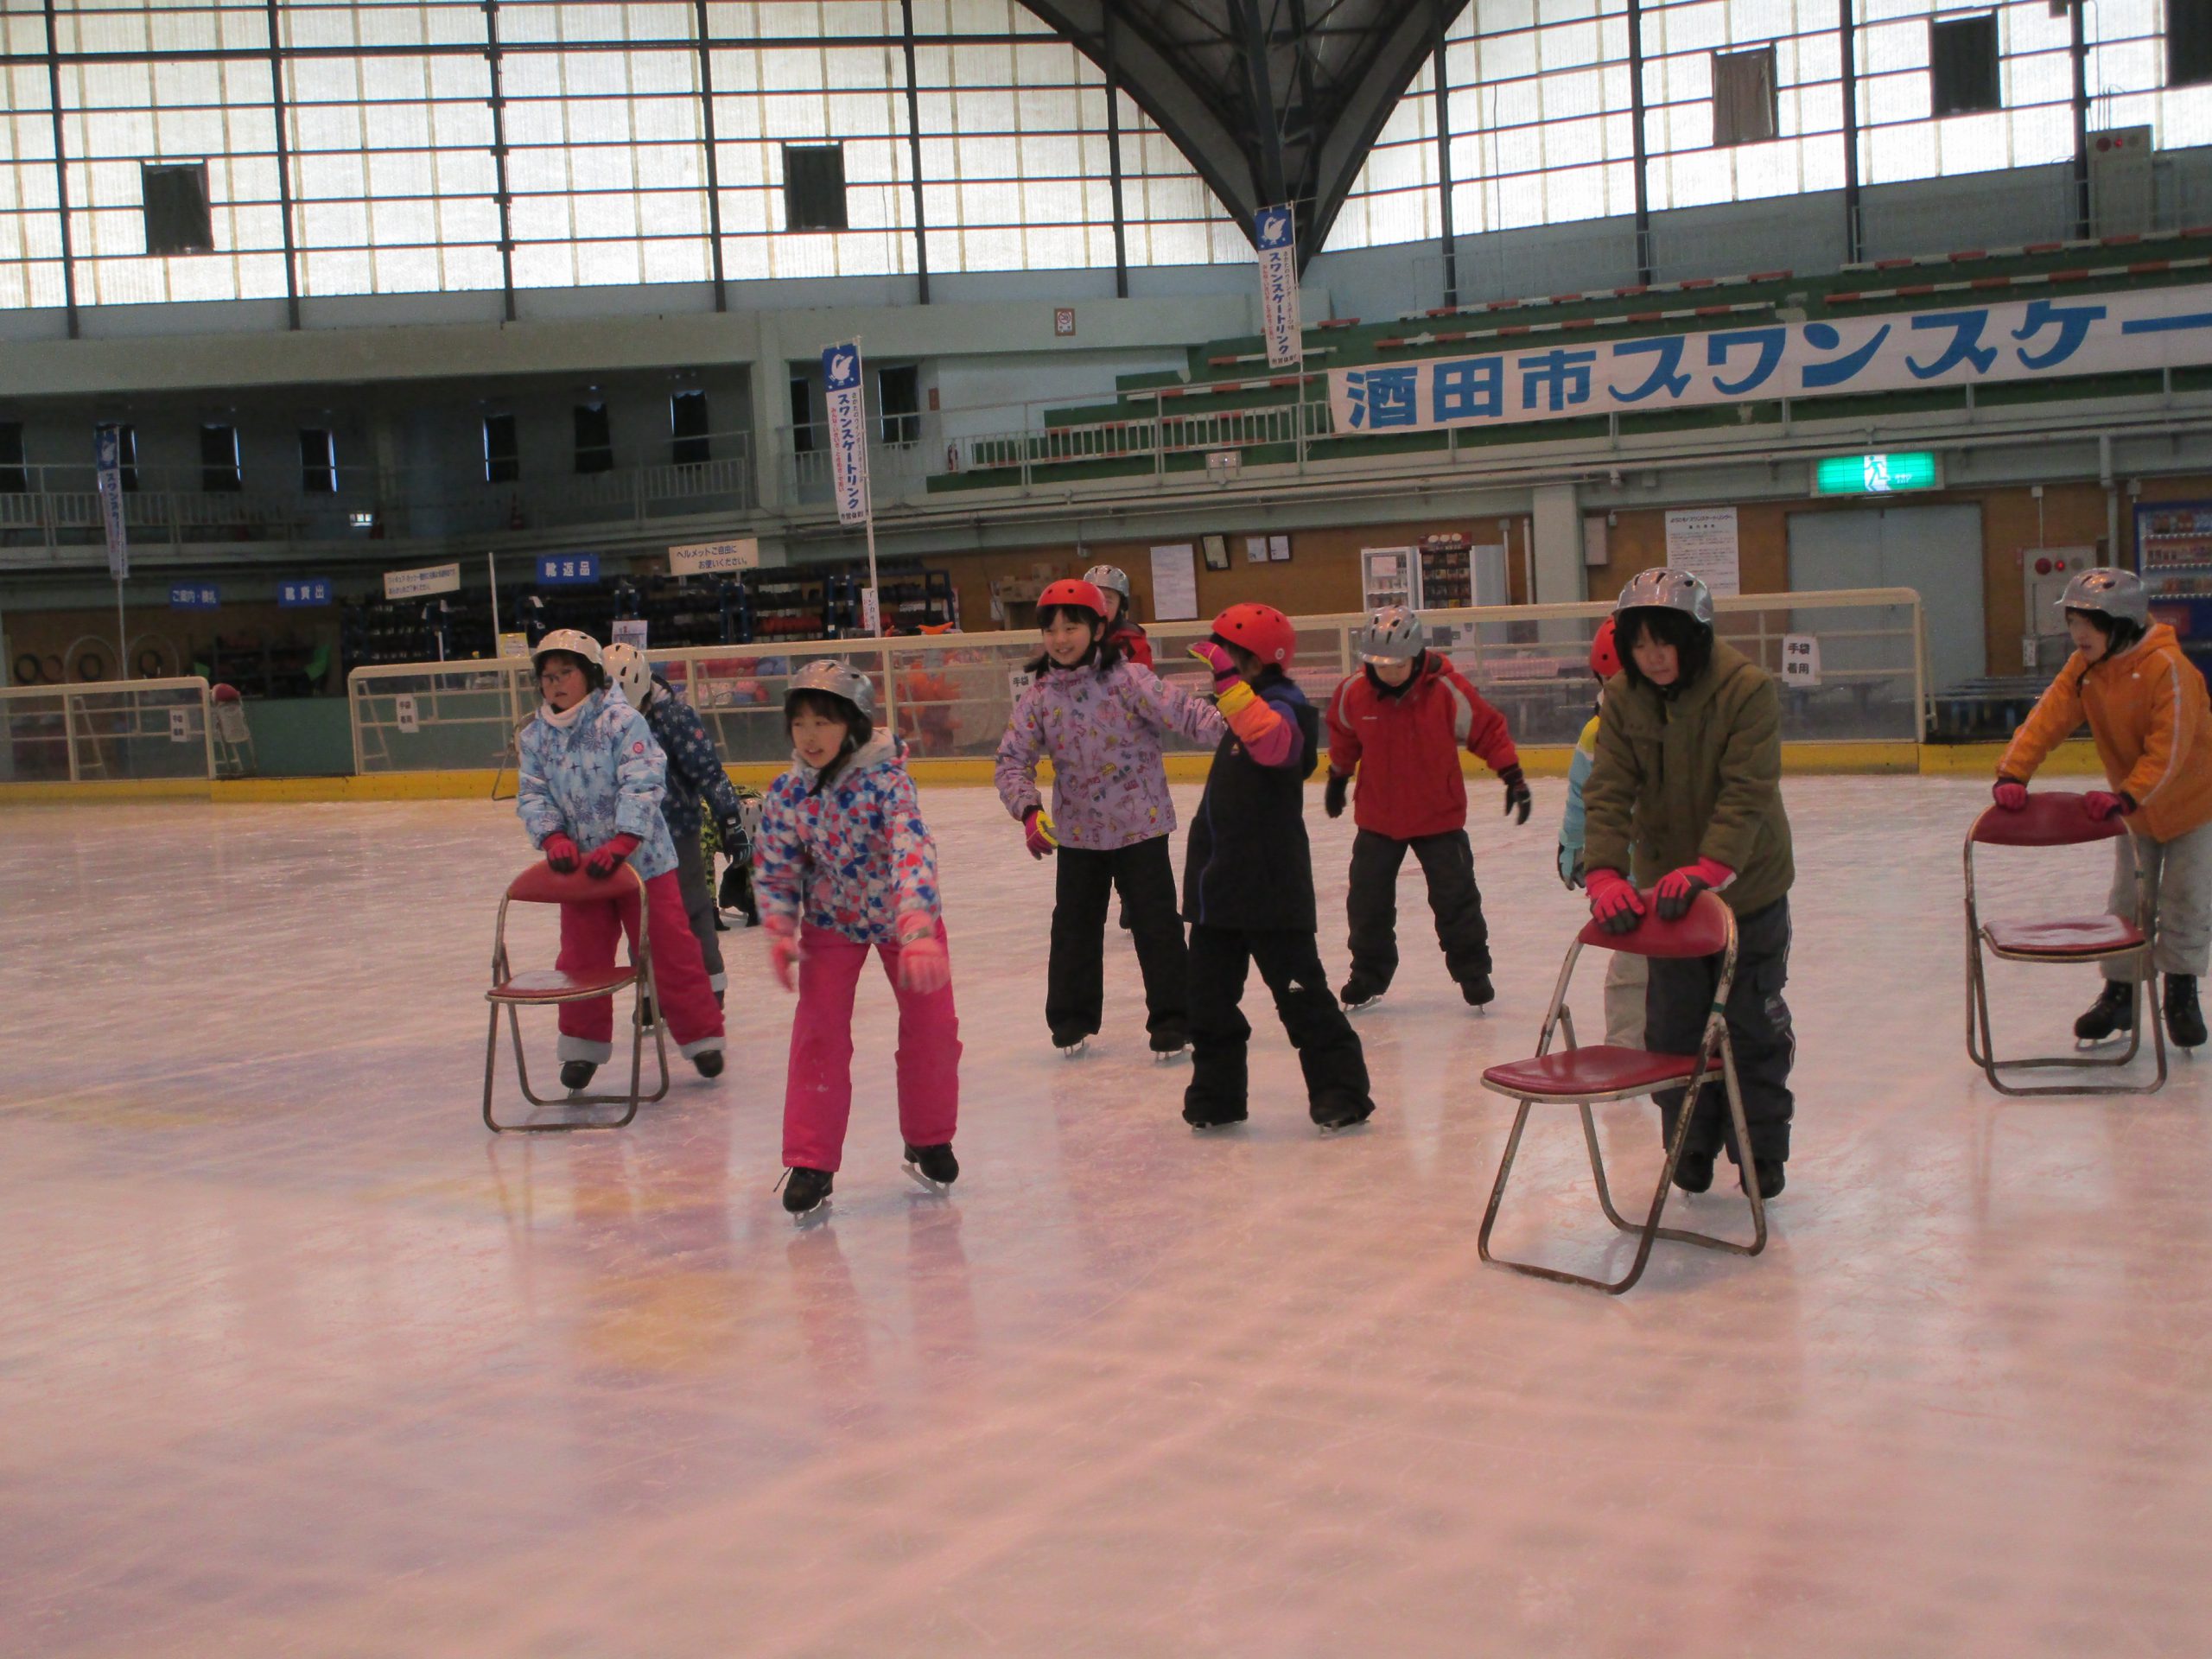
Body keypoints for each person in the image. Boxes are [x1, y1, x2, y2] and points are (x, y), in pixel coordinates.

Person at [1580, 569, 1796, 1200]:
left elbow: (1747, 791)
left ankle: (1759, 1150)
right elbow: (1609, 788)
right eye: (1639, 645)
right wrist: (1603, 871)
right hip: (1667, 896)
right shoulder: (1624, 697)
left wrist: (1711, 867)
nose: (1652, 657)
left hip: (1747, 888)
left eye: (1664, 642)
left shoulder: (1747, 689)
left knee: (1751, 1024)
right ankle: (1689, 1142)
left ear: (1694, 638)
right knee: (1674, 1028)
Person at [753, 660, 961, 1217]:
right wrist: (779, 926)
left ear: (854, 725)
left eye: (823, 722)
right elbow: (775, 865)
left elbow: (911, 851)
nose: (809, 736)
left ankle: (929, 1137)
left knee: (933, 1025)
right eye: (800, 723)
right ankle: (811, 1160)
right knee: (818, 1031)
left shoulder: (888, 782)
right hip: (833, 919)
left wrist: (917, 929)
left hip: (904, 921)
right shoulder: (790, 792)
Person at [995, 577, 1226, 1058]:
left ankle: (1174, 1019)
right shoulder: (1040, 697)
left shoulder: (1129, 680)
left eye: (1071, 627)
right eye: (1051, 629)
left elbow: (1186, 714)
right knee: (1074, 928)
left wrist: (1240, 725)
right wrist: (1029, 810)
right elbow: (1012, 759)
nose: (1060, 639)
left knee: (1156, 925)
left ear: (1098, 629)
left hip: (1141, 826)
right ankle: (1071, 1018)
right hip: (1079, 834)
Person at [1991, 566, 2211, 1050]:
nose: (2079, 634)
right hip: (2133, 811)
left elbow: (2170, 748)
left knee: (2187, 900)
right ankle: (2120, 995)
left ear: (2124, 623)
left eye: (2090, 624)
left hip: (2194, 807)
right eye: (2073, 622)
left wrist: (2127, 794)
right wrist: (2013, 773)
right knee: (2126, 903)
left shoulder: (2169, 669)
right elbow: (2048, 716)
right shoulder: (2086, 669)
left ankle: (2181, 994)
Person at [1180, 602, 1375, 1132]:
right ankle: (1217, 1098)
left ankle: (1340, 1093)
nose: (1218, 672)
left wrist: (1230, 688)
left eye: (1228, 660)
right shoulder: (1238, 709)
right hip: (1218, 892)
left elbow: (1273, 746)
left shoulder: (1286, 707)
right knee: (1208, 1004)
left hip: (1271, 892)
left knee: (1301, 999)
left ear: (1254, 661)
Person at [514, 629, 727, 1087]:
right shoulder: (535, 737)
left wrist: (625, 839)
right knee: (581, 959)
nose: (555, 684)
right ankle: (582, 1047)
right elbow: (533, 794)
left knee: (671, 949)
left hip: (643, 864)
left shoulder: (623, 722)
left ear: (591, 675)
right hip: (583, 872)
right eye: (547, 677)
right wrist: (552, 837)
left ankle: (702, 1036)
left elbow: (644, 779)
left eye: (565, 673)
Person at [1322, 604, 1529, 1011]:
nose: (1389, 673)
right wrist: (1338, 777)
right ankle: (1368, 974)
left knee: (1456, 898)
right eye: (1381, 665)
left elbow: (1486, 729)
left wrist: (1513, 776)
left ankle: (1473, 972)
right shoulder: (1353, 692)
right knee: (1367, 902)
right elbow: (1344, 736)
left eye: (1398, 665)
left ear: (1416, 655)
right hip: (1378, 818)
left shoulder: (1446, 690)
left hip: (1439, 816)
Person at [601, 643, 752, 1003]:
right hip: (629, 836)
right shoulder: (596, 723)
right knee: (639, 916)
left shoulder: (673, 718)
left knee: (693, 910)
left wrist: (730, 819)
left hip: (678, 831)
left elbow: (708, 771)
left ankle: (710, 987)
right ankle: (651, 995)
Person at [1556, 618, 1647, 1047]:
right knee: (1631, 972)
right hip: (1629, 880)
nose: (1619, 694)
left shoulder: (1681, 725)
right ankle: (1628, 1049)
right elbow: (1582, 795)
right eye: (1610, 685)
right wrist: (1575, 844)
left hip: (1683, 873)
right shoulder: (1596, 732)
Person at [1084, 563, 1153, 668]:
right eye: (1094, 598)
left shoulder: (1133, 642)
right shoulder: (1072, 635)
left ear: (1120, 605)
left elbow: (1144, 677)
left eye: (1108, 601)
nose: (1100, 606)